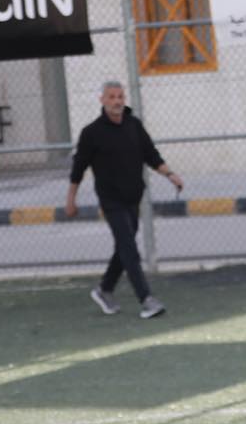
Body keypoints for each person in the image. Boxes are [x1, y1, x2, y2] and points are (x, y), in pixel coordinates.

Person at [65, 81, 182, 319]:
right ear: (102, 100)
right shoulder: (91, 133)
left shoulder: (133, 125)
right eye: (111, 97)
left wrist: (170, 174)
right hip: (111, 200)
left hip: (132, 198)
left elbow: (151, 155)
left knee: (123, 247)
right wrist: (71, 199)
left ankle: (105, 289)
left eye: (120, 96)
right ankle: (146, 300)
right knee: (129, 248)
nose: (117, 101)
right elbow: (78, 169)